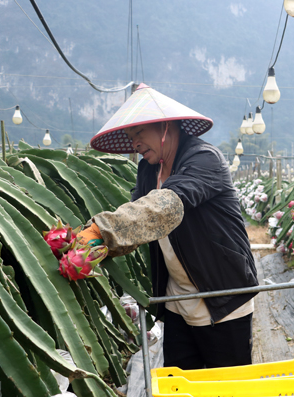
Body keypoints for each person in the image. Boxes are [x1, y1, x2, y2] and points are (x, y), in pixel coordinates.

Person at [80, 84, 257, 369]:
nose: (135, 144)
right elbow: (138, 221)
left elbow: (165, 205)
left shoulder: (204, 159)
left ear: (166, 126)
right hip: (176, 300)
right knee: (181, 386)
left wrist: (102, 230)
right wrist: (92, 246)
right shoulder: (148, 169)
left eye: (139, 133)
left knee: (227, 388)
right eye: (130, 137)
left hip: (221, 297)